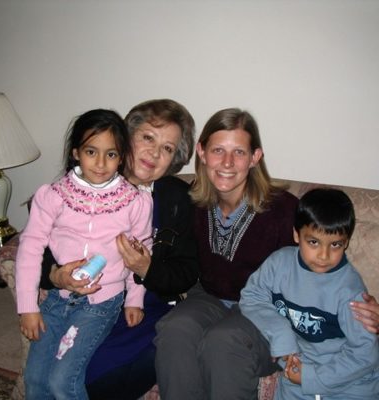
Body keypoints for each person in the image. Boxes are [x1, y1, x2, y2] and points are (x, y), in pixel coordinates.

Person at [42, 99, 199, 399]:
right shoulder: (86, 183)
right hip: (83, 304)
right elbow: (44, 241)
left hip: (143, 310)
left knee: (89, 377)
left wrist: (146, 268)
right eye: (148, 138)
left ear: (173, 159)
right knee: (49, 371)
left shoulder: (178, 199)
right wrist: (53, 275)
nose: (154, 153)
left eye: (167, 148)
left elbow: (187, 272)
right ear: (127, 139)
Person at [154, 107, 299, 399]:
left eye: (239, 152)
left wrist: (353, 303)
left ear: (255, 157)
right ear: (202, 152)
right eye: (218, 150)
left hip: (263, 313)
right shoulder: (191, 202)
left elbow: (317, 265)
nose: (228, 163)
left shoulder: (284, 209)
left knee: (223, 341)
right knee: (174, 329)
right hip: (207, 298)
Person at [16, 109, 153, 400]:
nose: (101, 164)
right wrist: (27, 306)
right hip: (57, 300)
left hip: (100, 304)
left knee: (62, 382)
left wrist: (134, 298)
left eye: (111, 154)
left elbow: (141, 254)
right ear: (76, 152)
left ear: (122, 156)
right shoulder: (53, 196)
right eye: (92, 152)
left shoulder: (135, 202)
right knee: (36, 380)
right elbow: (30, 248)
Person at [239, 188, 379, 399]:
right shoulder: (279, 264)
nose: (324, 255)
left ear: (347, 242)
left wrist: (311, 377)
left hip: (350, 385)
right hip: (295, 379)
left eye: (335, 244)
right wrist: (282, 336)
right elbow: (252, 297)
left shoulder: (350, 291)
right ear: (297, 234)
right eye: (313, 242)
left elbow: (364, 355)